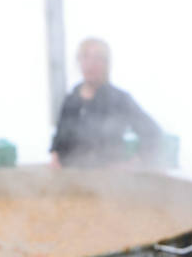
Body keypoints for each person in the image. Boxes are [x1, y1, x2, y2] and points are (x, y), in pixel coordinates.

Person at [50, 38, 161, 168]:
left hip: (107, 179)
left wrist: (135, 163)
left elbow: (152, 132)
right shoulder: (71, 99)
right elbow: (60, 136)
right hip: (70, 177)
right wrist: (55, 156)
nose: (90, 64)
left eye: (98, 58)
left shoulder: (119, 99)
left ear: (107, 64)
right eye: (85, 57)